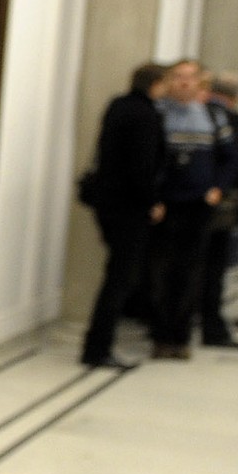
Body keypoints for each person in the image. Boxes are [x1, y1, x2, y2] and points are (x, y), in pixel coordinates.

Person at [146, 60, 237, 359]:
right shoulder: (158, 114)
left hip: (198, 205)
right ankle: (160, 335)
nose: (184, 83)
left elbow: (230, 156)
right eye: (178, 77)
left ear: (199, 82)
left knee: (191, 272)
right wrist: (154, 197)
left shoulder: (213, 115)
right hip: (166, 205)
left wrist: (218, 188)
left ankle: (181, 336)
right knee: (160, 271)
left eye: (190, 77)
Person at [80, 62, 167, 369]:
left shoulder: (118, 106)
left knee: (118, 274)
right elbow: (142, 165)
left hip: (108, 203)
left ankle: (97, 344)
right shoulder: (145, 114)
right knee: (120, 278)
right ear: (156, 84)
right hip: (128, 207)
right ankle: (98, 347)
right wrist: (152, 201)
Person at [194, 71, 238, 349]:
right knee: (212, 267)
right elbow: (237, 158)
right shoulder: (224, 117)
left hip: (201, 198)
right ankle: (210, 327)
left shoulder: (202, 116)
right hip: (214, 203)